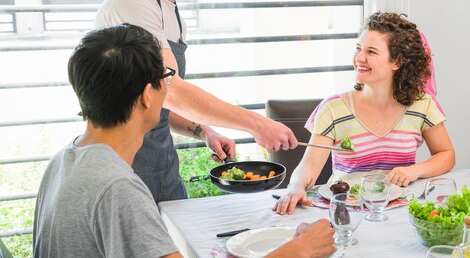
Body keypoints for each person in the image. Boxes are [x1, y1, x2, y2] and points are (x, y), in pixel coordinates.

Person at [32, 24, 336, 258]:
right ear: (147, 96)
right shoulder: (117, 188)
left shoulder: (64, 159)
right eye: (167, 77)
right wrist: (298, 250)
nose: (169, 87)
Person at [95, 0, 298, 202]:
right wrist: (257, 124)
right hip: (125, 173)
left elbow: (158, 101)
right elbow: (170, 89)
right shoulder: (134, 1)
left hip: (161, 166)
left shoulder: (174, 16)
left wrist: (205, 132)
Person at [274, 12, 455, 215]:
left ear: (396, 62)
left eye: (371, 52)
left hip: (400, 211)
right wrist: (295, 187)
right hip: (347, 211)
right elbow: (309, 166)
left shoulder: (422, 105)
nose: (359, 58)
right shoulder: (333, 109)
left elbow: (446, 155)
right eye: (358, 49)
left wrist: (415, 170)